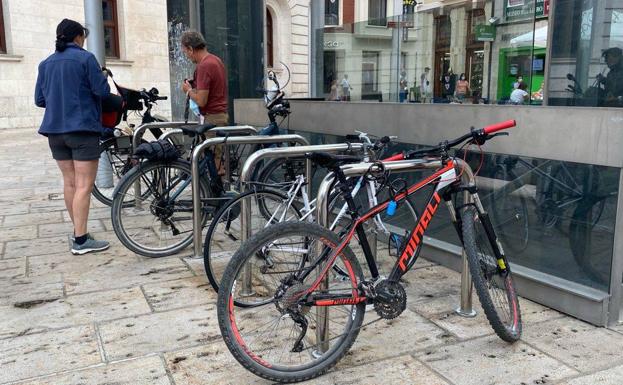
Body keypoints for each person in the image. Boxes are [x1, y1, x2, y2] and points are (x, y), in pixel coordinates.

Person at [34, 19, 111, 255]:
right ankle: (80, 240)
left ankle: (79, 232)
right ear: (78, 37)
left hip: (54, 132)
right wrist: (103, 76)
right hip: (82, 130)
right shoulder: (86, 59)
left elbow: (39, 100)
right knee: (84, 185)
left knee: (70, 183)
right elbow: (102, 92)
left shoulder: (45, 64)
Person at [180, 31, 229, 174]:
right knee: (216, 159)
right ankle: (216, 192)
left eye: (186, 52)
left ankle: (217, 195)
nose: (187, 56)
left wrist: (188, 90)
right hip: (219, 116)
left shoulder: (204, 66)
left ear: (190, 48)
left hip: (212, 118)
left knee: (214, 164)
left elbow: (201, 100)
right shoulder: (215, 60)